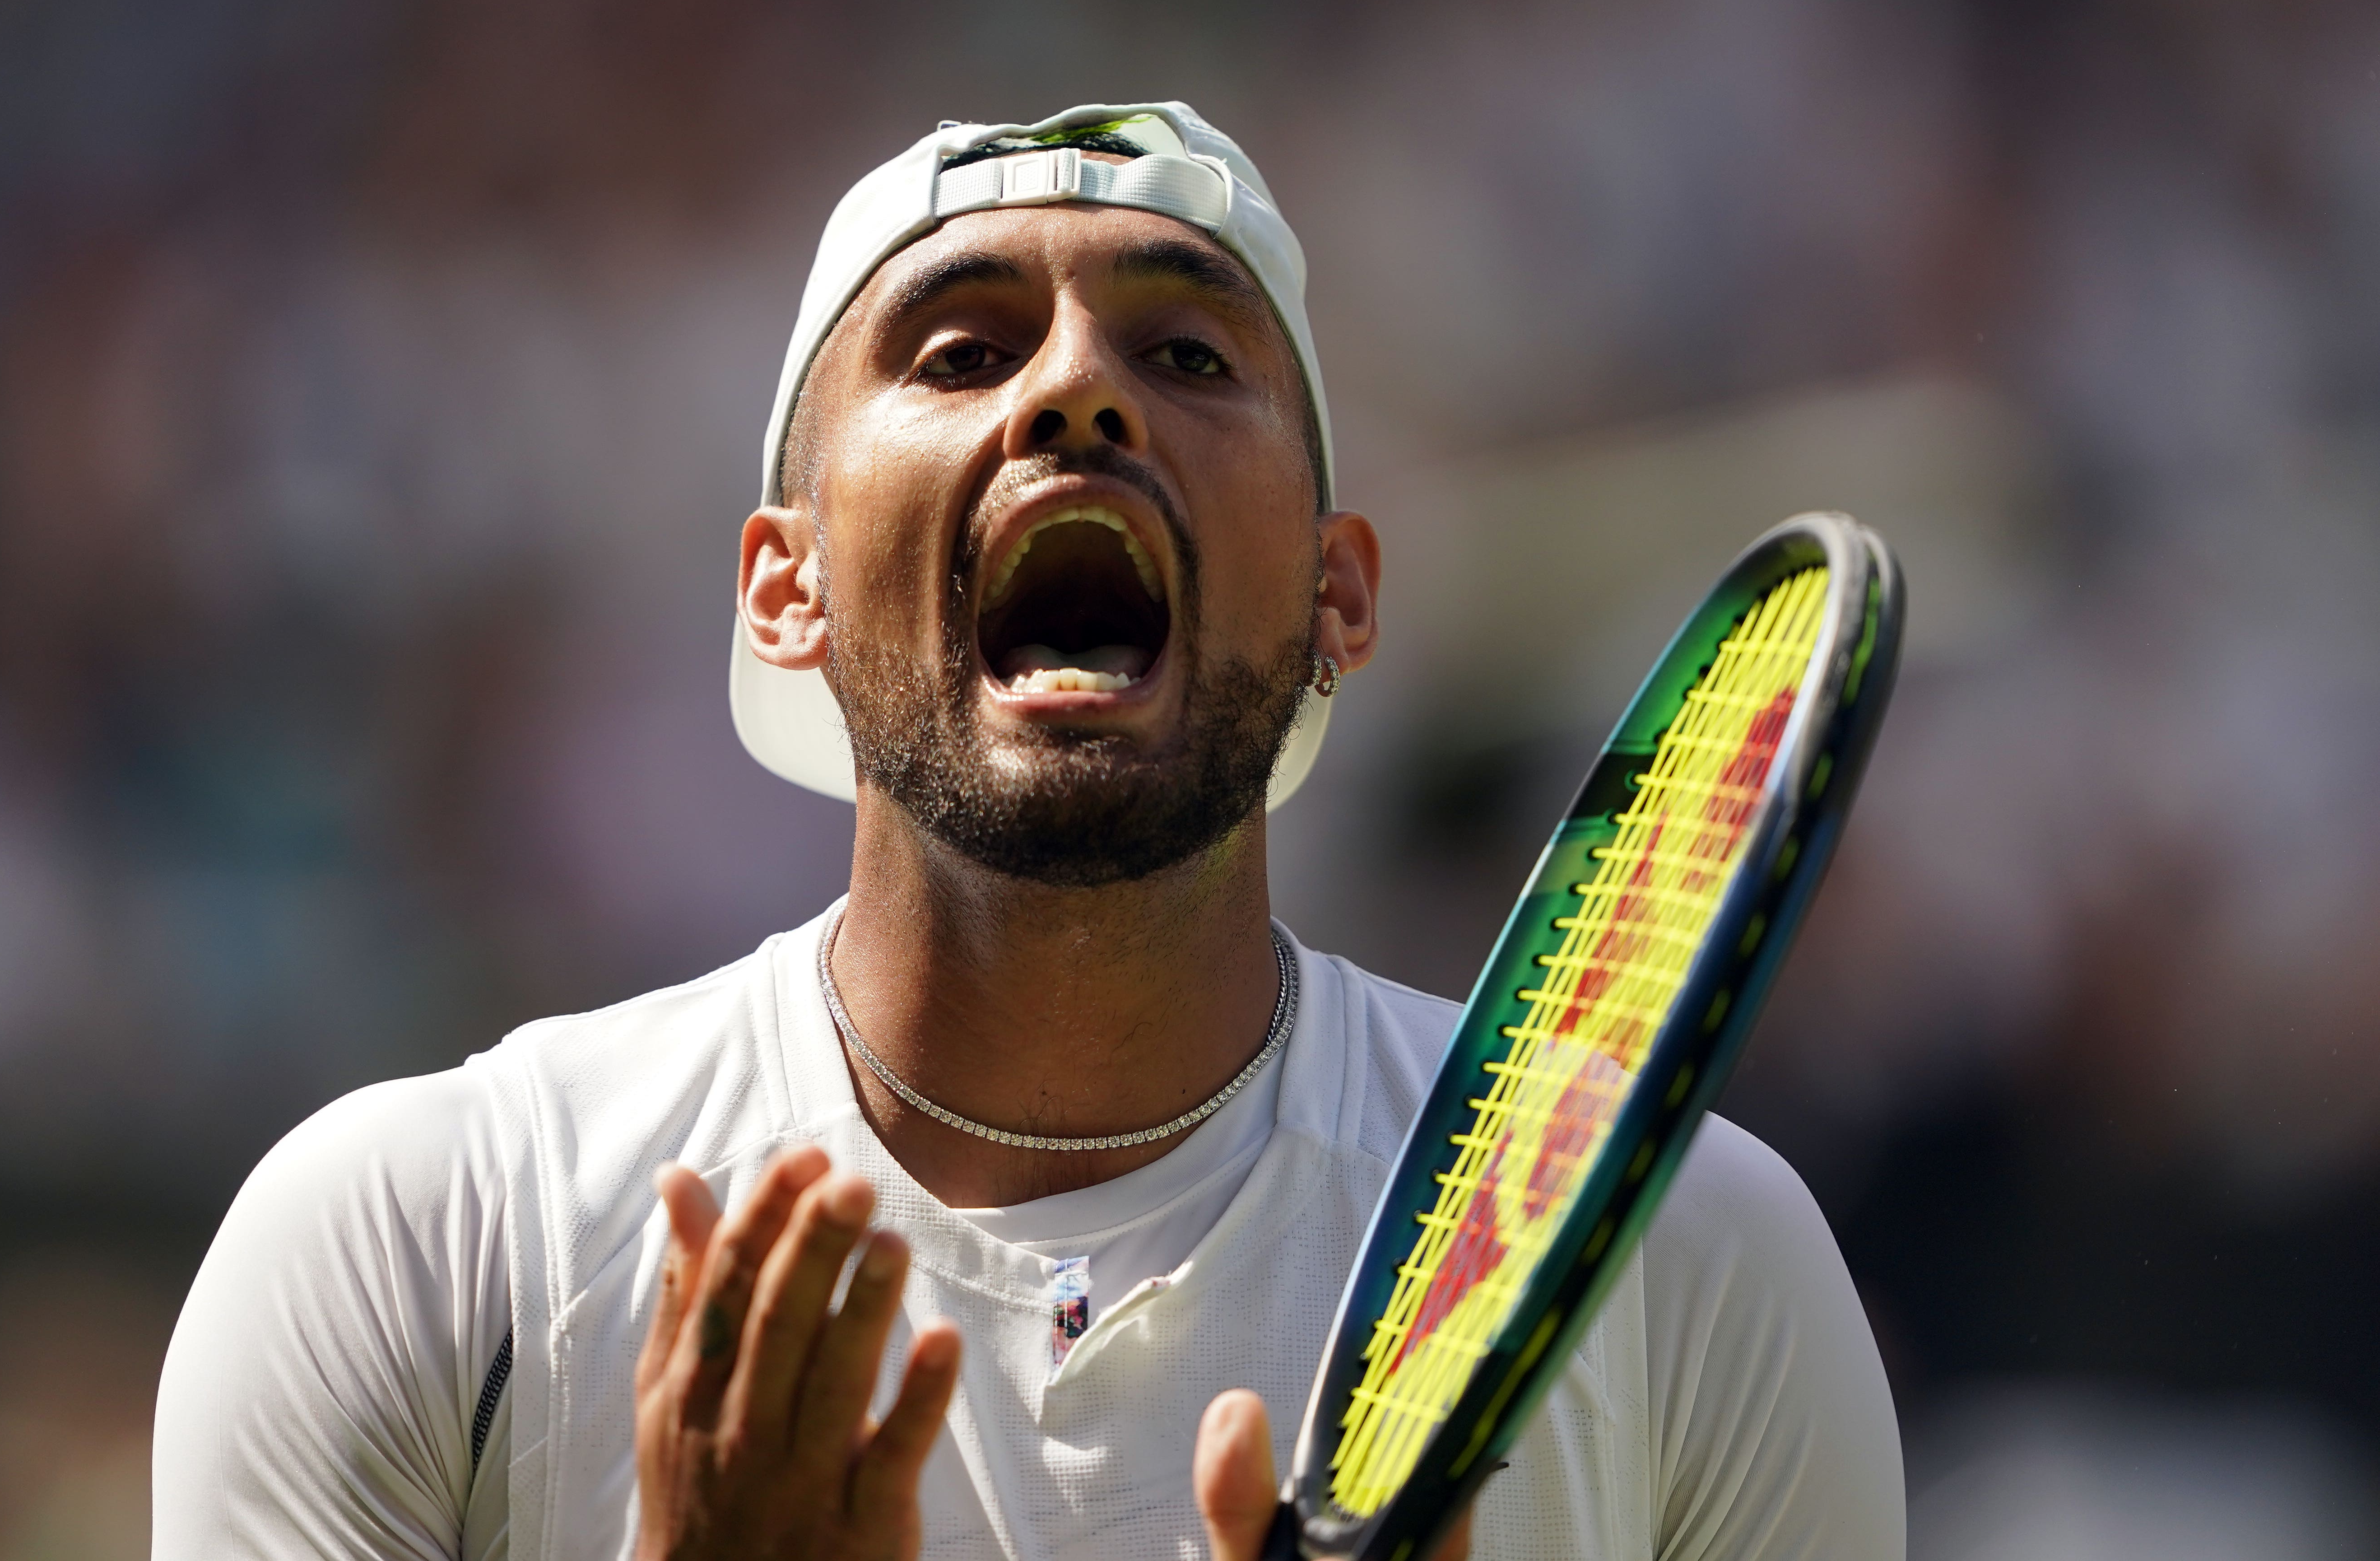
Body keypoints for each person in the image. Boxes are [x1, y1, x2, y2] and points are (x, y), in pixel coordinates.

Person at [153, 102, 1905, 1561]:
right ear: (787, 590)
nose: (1078, 394)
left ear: (1335, 594)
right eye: (965, 348)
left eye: (1189, 350)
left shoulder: (1693, 1265)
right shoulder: (415, 1235)